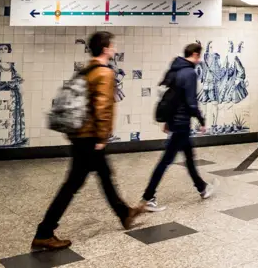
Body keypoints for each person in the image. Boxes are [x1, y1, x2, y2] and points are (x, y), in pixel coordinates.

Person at [33, 32, 144, 252]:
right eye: (112, 46)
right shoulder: (104, 73)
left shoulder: (86, 71)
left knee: (104, 175)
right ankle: (44, 232)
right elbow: (102, 107)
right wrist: (102, 138)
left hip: (81, 135)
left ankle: (124, 213)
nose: (113, 49)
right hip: (91, 138)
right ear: (105, 49)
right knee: (73, 184)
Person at [141, 42, 216, 212]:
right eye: (200, 56)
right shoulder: (189, 73)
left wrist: (168, 121)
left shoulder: (175, 69)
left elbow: (171, 97)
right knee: (166, 161)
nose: (200, 60)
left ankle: (202, 188)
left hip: (176, 121)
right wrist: (201, 120)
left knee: (189, 157)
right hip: (182, 123)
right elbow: (190, 102)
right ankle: (148, 197)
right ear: (196, 54)